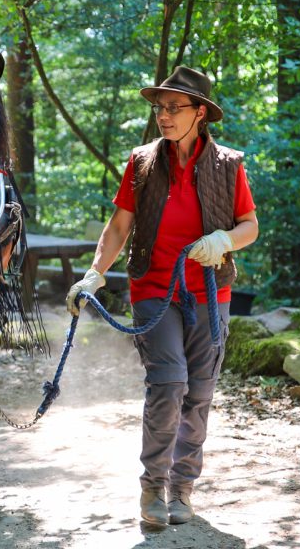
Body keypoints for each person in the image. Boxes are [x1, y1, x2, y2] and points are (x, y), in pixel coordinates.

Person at [66, 66, 259, 527]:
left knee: (199, 394)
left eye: (174, 107)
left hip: (212, 295)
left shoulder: (229, 165)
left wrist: (223, 241)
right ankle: (152, 487)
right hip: (154, 289)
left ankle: (182, 488)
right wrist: (94, 276)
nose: (164, 116)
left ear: (200, 114)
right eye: (159, 107)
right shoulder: (142, 162)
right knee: (169, 384)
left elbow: (250, 226)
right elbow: (118, 228)